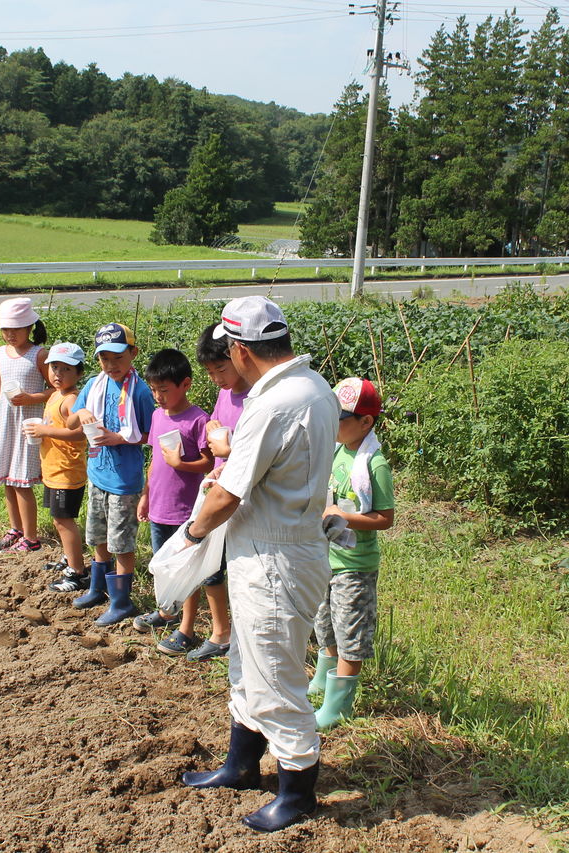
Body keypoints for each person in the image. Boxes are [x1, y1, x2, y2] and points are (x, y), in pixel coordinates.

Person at [177, 296, 339, 833]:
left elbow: (228, 494)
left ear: (241, 350)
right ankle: (241, 766)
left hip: (274, 557)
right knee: (248, 662)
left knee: (274, 674)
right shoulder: (314, 386)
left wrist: (192, 535)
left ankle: (297, 793)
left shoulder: (273, 404)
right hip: (284, 545)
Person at [132, 322, 244, 662]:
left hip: (215, 500)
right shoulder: (219, 397)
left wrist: (189, 462)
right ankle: (172, 614)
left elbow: (215, 453)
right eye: (211, 371)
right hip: (208, 492)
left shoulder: (252, 399)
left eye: (220, 369)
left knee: (207, 570)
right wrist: (146, 494)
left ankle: (205, 630)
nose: (217, 378)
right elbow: (209, 448)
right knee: (174, 562)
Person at [309, 377, 395, 731]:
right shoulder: (337, 451)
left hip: (354, 565)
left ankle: (338, 705)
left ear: (365, 422)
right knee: (324, 622)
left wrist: (342, 516)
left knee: (350, 631)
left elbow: (385, 518)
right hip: (327, 557)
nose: (333, 425)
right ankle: (323, 680)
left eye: (341, 419)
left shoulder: (374, 464)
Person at [68, 322, 155, 626]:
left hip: (124, 481)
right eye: (105, 358)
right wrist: (81, 412)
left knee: (122, 542)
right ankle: (98, 588)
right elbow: (71, 422)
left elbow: (151, 434)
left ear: (133, 353)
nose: (111, 365)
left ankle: (121, 601)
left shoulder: (140, 391)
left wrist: (119, 438)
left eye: (118, 357)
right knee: (97, 535)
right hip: (97, 474)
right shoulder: (94, 384)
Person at [132, 348, 215, 655]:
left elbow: (209, 462)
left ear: (186, 384)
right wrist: (146, 495)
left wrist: (182, 464)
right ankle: (166, 611)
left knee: (186, 571)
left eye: (164, 390)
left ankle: (187, 629)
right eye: (154, 390)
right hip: (159, 507)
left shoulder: (198, 420)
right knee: (164, 566)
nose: (158, 397)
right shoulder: (157, 416)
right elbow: (154, 460)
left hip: (186, 511)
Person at [0, 297, 52, 553]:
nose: (10, 335)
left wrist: (32, 398)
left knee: (22, 481)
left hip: (27, 426)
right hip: (5, 424)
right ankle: (16, 529)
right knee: (8, 480)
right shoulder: (0, 353)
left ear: (29, 327)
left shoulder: (39, 355)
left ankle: (31, 538)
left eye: (16, 329)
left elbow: (57, 389)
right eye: (5, 329)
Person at [22, 342, 90, 588]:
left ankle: (77, 572)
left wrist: (46, 431)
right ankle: (70, 557)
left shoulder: (72, 400)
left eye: (66, 369)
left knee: (64, 520)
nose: (58, 374)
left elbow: (81, 433)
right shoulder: (54, 395)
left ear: (79, 373)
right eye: (54, 367)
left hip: (67, 472)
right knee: (58, 520)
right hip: (53, 469)